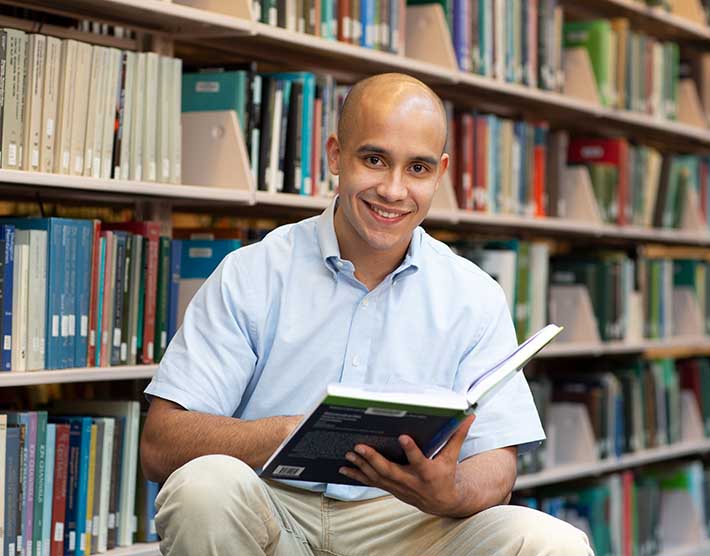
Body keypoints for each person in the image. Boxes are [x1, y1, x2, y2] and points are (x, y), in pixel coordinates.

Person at [141, 72, 593, 556]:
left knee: (551, 543)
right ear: (336, 155)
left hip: (407, 520)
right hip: (273, 509)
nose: (394, 190)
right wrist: (290, 432)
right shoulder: (251, 273)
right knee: (204, 486)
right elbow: (161, 444)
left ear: (439, 173)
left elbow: (498, 462)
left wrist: (451, 491)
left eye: (417, 168)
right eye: (374, 159)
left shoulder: (474, 295)